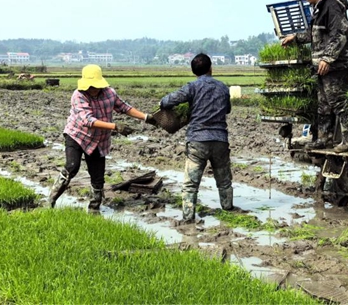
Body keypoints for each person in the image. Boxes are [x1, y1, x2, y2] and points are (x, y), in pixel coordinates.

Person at [49, 64, 157, 211]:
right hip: (77, 136)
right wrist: (115, 126)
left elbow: (124, 107)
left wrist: (146, 117)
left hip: (99, 140)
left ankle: (94, 209)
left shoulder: (109, 93)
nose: (92, 89)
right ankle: (51, 201)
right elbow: (88, 121)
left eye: (95, 86)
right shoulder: (78, 95)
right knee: (72, 167)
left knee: (98, 177)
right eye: (90, 86)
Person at [281, 0, 348, 152]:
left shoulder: (332, 6)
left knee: (339, 102)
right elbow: (313, 34)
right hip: (323, 67)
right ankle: (325, 137)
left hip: (337, 66)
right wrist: (295, 37)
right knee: (323, 105)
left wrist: (327, 58)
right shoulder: (319, 8)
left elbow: (339, 34)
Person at [159, 53, 233, 222]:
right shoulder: (223, 88)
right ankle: (228, 210)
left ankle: (188, 218)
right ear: (211, 68)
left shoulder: (192, 87)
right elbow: (227, 110)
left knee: (191, 184)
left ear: (194, 72)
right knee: (224, 181)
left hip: (198, 140)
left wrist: (163, 103)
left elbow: (168, 101)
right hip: (220, 140)